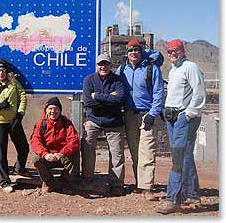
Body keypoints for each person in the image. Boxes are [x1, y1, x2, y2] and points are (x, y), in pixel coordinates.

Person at [156, 39, 206, 214]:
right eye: (169, 51)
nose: (171, 54)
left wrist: (189, 114)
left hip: (184, 117)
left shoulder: (190, 67)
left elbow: (199, 92)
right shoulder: (174, 69)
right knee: (184, 155)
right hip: (172, 118)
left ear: (183, 51)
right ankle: (192, 194)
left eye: (175, 51)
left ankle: (173, 199)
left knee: (178, 157)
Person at [117, 39, 164, 200]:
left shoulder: (152, 68)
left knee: (147, 151)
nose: (133, 53)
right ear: (127, 53)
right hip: (129, 114)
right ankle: (139, 183)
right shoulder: (122, 69)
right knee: (135, 151)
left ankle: (147, 187)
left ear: (141, 51)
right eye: (130, 51)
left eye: (136, 50)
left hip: (147, 114)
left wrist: (153, 113)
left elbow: (158, 92)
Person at [82, 54, 126, 196]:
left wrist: (98, 96)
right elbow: (88, 102)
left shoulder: (118, 80)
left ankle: (116, 184)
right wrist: (109, 98)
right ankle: (87, 178)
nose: (103, 67)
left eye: (106, 64)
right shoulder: (89, 80)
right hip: (93, 120)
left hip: (114, 121)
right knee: (87, 146)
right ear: (97, 66)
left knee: (117, 153)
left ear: (110, 65)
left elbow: (120, 99)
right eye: (100, 64)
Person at [0, 60, 29, 193]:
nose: (1, 73)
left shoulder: (14, 83)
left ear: (7, 72)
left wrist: (20, 114)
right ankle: (4, 181)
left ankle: (19, 168)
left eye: (3, 71)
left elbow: (22, 96)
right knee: (2, 152)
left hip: (13, 120)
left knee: (23, 146)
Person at [30, 97, 79, 194]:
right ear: (46, 110)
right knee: (36, 159)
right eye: (50, 109)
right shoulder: (41, 124)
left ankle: (65, 181)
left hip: (62, 156)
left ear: (60, 110)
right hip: (48, 157)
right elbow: (35, 141)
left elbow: (74, 140)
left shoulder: (66, 123)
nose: (53, 111)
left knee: (75, 153)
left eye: (56, 109)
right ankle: (48, 182)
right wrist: (45, 154)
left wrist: (61, 153)